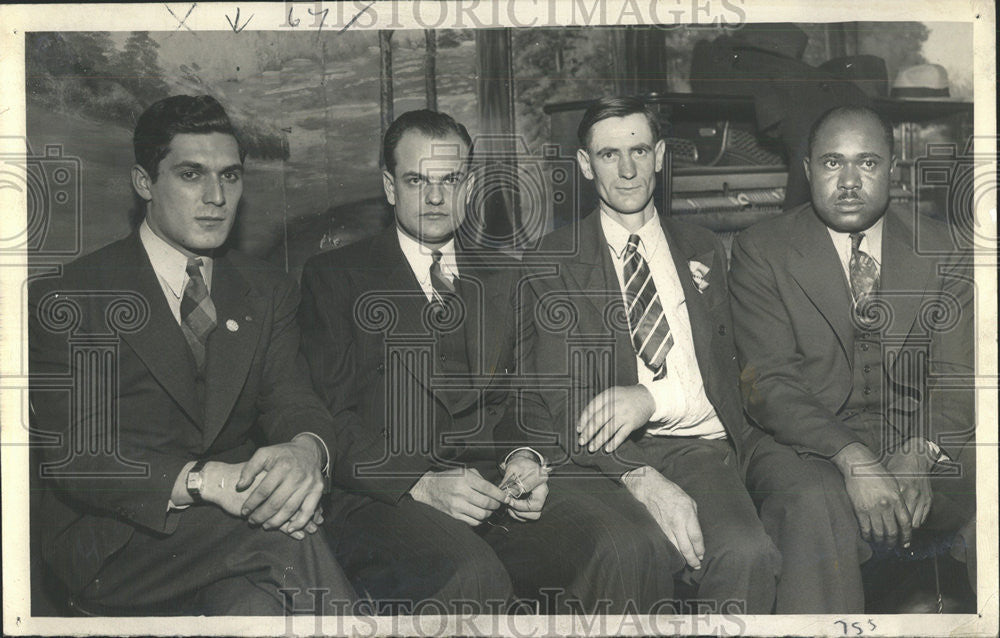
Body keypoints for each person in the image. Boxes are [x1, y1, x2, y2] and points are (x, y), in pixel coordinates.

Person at [298, 109, 677, 614]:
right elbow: (328, 420)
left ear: (470, 185)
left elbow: (526, 401)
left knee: (627, 544)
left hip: (494, 487)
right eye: (416, 180)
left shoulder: (505, 275)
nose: (435, 197)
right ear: (389, 187)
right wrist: (419, 483)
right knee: (471, 574)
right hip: (386, 496)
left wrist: (527, 460)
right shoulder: (336, 278)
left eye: (450, 180)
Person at [28, 95, 355, 616]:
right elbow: (80, 455)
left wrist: (305, 451)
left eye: (229, 177)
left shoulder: (266, 290)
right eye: (190, 174)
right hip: (115, 540)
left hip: (236, 529)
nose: (215, 196)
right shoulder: (70, 295)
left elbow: (294, 399)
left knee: (258, 608)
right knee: (287, 539)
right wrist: (206, 481)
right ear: (144, 183)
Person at [518, 96, 793, 614]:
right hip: (604, 457)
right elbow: (561, 399)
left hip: (697, 447)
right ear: (584, 165)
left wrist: (653, 397)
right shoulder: (555, 258)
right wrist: (643, 479)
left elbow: (728, 373)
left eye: (639, 151)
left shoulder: (703, 246)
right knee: (630, 556)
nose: (626, 171)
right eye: (607, 155)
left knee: (747, 554)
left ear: (661, 155)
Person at [730, 104, 976, 603]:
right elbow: (769, 383)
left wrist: (919, 450)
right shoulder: (762, 249)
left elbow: (959, 374)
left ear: (892, 169)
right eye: (830, 163)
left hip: (915, 432)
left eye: (866, 163)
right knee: (812, 502)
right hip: (804, 444)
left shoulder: (945, 247)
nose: (848, 181)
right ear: (806, 170)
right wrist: (852, 457)